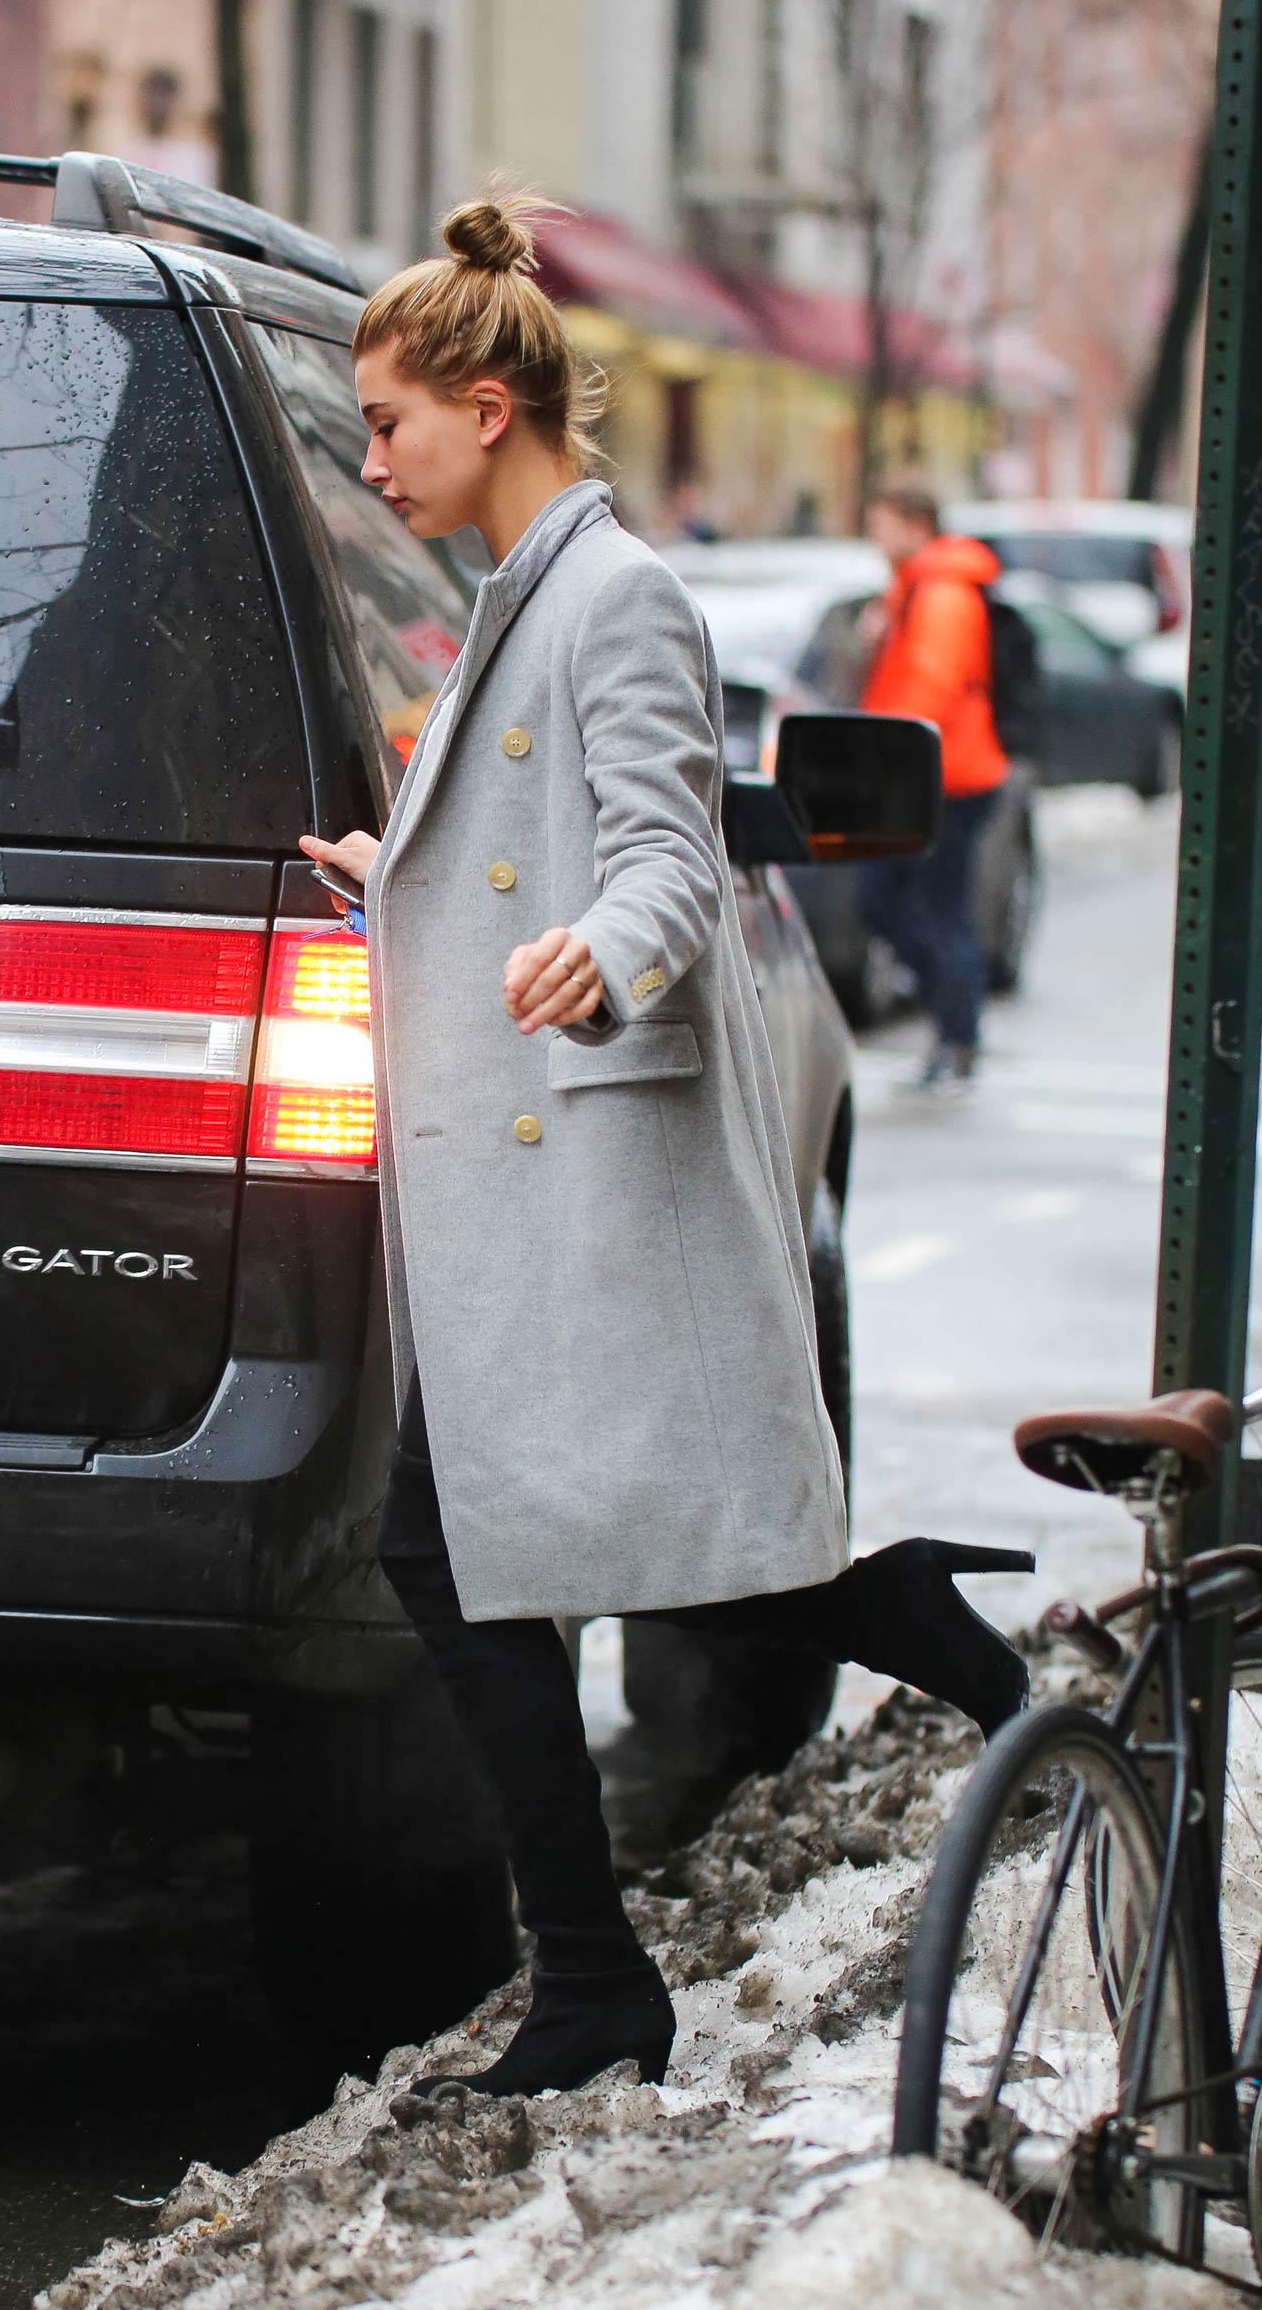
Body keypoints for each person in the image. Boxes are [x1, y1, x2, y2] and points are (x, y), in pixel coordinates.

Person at [297, 195, 1032, 2103]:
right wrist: (409, 885)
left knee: (471, 1549)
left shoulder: (619, 595)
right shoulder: (518, 593)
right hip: (530, 1175)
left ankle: (600, 1969)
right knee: (506, 1547)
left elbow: (664, 857)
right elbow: (525, 844)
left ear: (485, 403)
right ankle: (637, 1920)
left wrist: (598, 953)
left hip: (587, 1169)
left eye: (389, 422)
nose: (372, 458)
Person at [860, 483, 1009, 1092]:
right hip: (926, 772)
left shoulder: (943, 590)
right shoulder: (917, 585)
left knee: (932, 909)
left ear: (917, 523)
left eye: (883, 524)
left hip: (946, 775)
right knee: (891, 902)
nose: (875, 538)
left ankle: (959, 1035)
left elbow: (932, 685)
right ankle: (955, 1025)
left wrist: (882, 751)